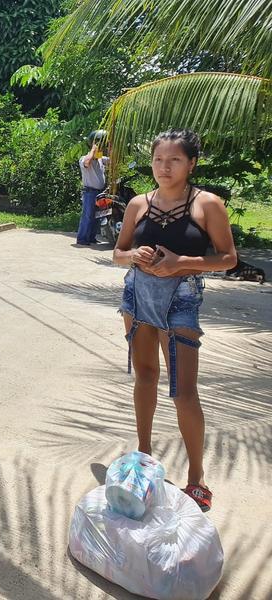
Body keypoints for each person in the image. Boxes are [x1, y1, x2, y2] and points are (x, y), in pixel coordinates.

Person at [113, 129, 237, 512]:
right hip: (137, 296)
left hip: (182, 300)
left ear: (191, 163)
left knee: (183, 389)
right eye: (158, 160)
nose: (164, 168)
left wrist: (181, 263)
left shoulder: (207, 204)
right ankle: (144, 455)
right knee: (145, 376)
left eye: (174, 160)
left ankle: (196, 478)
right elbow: (117, 253)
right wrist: (136, 255)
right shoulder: (138, 203)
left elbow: (229, 257)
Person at [76, 130, 110, 246]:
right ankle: (82, 238)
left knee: (97, 217)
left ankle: (91, 237)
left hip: (100, 192)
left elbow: (113, 160)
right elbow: (87, 162)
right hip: (90, 192)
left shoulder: (100, 159)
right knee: (88, 215)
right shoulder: (84, 158)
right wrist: (93, 149)